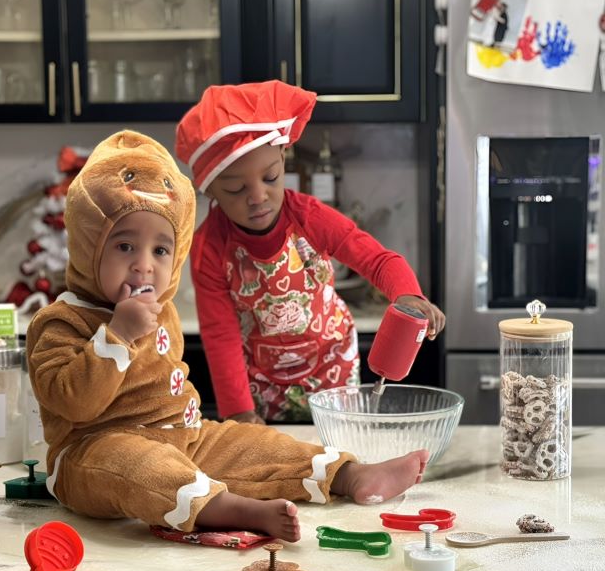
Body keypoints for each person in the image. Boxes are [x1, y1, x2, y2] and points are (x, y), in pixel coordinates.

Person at [26, 129, 429, 542]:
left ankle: (349, 475)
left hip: (184, 437)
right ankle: (232, 509)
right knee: (135, 466)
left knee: (256, 445)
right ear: (88, 244)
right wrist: (117, 336)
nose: (144, 266)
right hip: (91, 453)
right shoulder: (61, 322)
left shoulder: (161, 312)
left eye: (160, 250)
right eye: (125, 246)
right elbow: (72, 403)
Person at [175, 81, 445, 424]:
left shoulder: (309, 217)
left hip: (331, 369)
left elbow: (377, 260)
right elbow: (220, 333)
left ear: (283, 163)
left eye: (271, 178)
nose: (258, 196)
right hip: (261, 383)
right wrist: (238, 411)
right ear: (210, 189)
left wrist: (409, 294)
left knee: (337, 460)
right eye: (236, 188)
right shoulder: (209, 246)